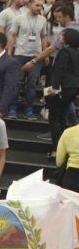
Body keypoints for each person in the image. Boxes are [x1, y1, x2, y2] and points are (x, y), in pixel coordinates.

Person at [7, 0, 49, 120]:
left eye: (41, 5)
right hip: (19, 54)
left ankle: (29, 110)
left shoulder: (43, 20)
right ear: (29, 4)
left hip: (36, 56)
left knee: (32, 84)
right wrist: (9, 52)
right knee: (17, 83)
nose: (39, 7)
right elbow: (12, 35)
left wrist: (45, 53)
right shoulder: (19, 18)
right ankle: (13, 108)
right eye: (37, 5)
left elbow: (43, 37)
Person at [47, 28, 79, 158]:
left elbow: (59, 71)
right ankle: (64, 150)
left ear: (67, 39)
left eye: (62, 36)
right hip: (72, 89)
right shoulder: (76, 53)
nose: (59, 37)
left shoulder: (64, 52)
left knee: (54, 119)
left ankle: (57, 150)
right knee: (62, 118)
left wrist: (53, 88)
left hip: (62, 89)